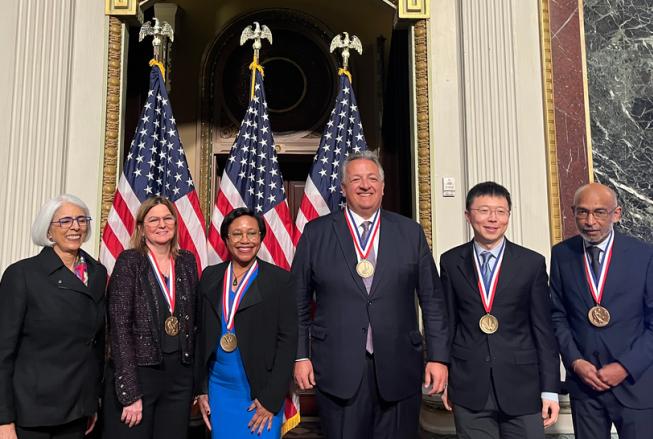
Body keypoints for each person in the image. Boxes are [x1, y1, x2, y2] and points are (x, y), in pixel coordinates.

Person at [292, 151, 448, 439]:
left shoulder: (409, 232)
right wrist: (301, 356)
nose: (365, 185)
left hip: (400, 365)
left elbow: (433, 300)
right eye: (356, 179)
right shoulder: (316, 233)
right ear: (343, 188)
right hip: (338, 367)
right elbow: (298, 302)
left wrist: (438, 358)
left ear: (383, 186)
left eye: (372, 178)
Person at [439, 182, 560, 439]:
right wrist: (445, 374)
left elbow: (543, 331)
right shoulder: (450, 261)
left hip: (523, 387)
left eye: (501, 211)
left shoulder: (531, 263)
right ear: (468, 215)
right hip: (469, 386)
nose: (493, 219)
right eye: (484, 210)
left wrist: (550, 390)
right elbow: (447, 323)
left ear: (508, 216)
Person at [550, 182, 653, 438]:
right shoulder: (562, 254)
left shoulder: (643, 255)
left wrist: (625, 367)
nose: (590, 221)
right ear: (573, 212)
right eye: (582, 212)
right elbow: (558, 315)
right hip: (585, 386)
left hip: (634, 384)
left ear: (616, 214)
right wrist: (575, 362)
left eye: (599, 212)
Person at [0, 194, 106, 439]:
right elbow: (3, 352)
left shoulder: (97, 274)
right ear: (49, 230)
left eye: (81, 219)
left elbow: (96, 345)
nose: (75, 227)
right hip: (32, 411)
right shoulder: (22, 275)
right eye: (65, 221)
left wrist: (91, 402)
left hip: (78, 410)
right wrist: (3, 419)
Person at [195, 207, 297, 438]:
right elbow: (200, 336)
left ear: (261, 237)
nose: (245, 240)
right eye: (237, 234)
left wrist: (271, 399)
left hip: (261, 391)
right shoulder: (210, 276)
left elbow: (288, 341)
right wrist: (201, 390)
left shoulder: (280, 280)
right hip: (218, 389)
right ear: (226, 239)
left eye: (252, 233)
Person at [103, 196, 199, 439]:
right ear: (141, 227)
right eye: (153, 219)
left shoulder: (187, 261)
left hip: (179, 376)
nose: (162, 224)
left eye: (168, 218)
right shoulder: (130, 261)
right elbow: (119, 328)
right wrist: (130, 392)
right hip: (140, 373)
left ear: (176, 225)